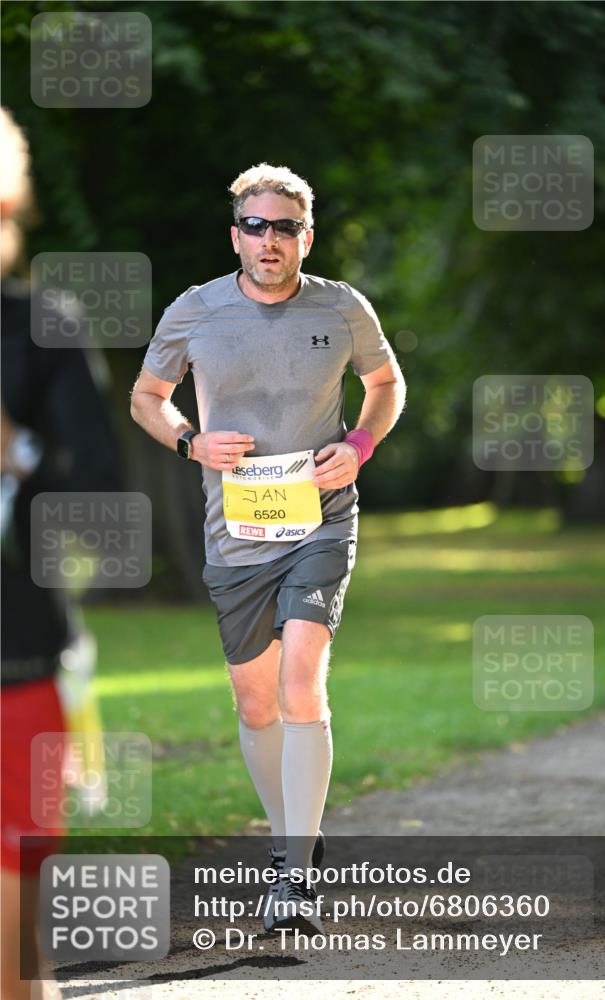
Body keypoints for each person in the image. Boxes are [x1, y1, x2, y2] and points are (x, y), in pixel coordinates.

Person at [130, 163, 406, 934]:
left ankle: (289, 878)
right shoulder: (196, 310)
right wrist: (191, 441)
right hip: (236, 531)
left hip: (321, 519)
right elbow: (145, 398)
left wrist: (358, 442)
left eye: (284, 227)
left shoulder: (342, 307)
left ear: (305, 237)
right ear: (236, 236)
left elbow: (386, 384)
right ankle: (301, 837)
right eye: (255, 226)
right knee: (254, 703)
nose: (269, 239)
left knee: (298, 682)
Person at [1, 107, 122, 997]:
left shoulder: (42, 327)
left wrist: (20, 453)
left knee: (12, 887)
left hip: (17, 653)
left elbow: (100, 500)